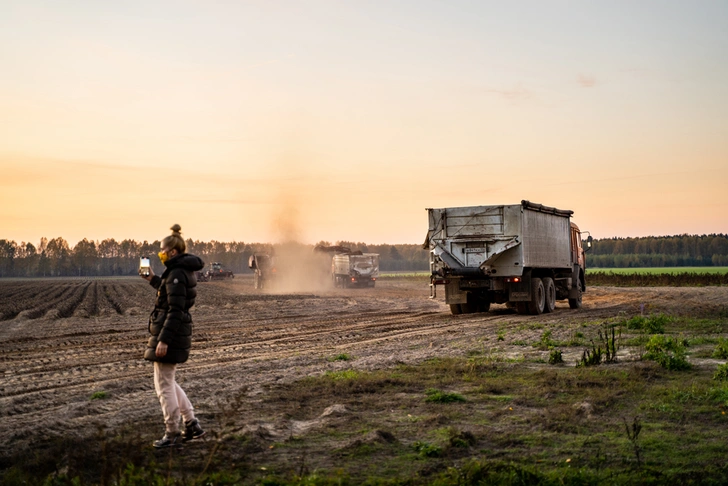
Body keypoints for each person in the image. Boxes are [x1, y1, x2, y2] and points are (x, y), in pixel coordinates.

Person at [140, 224, 206, 448]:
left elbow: (175, 310)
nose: (160, 253)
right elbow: (169, 294)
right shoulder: (179, 271)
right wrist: (152, 280)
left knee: (163, 385)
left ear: (173, 252)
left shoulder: (177, 272)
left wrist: (164, 340)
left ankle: (172, 432)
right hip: (176, 333)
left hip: (172, 334)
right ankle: (192, 423)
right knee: (168, 381)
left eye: (162, 250)